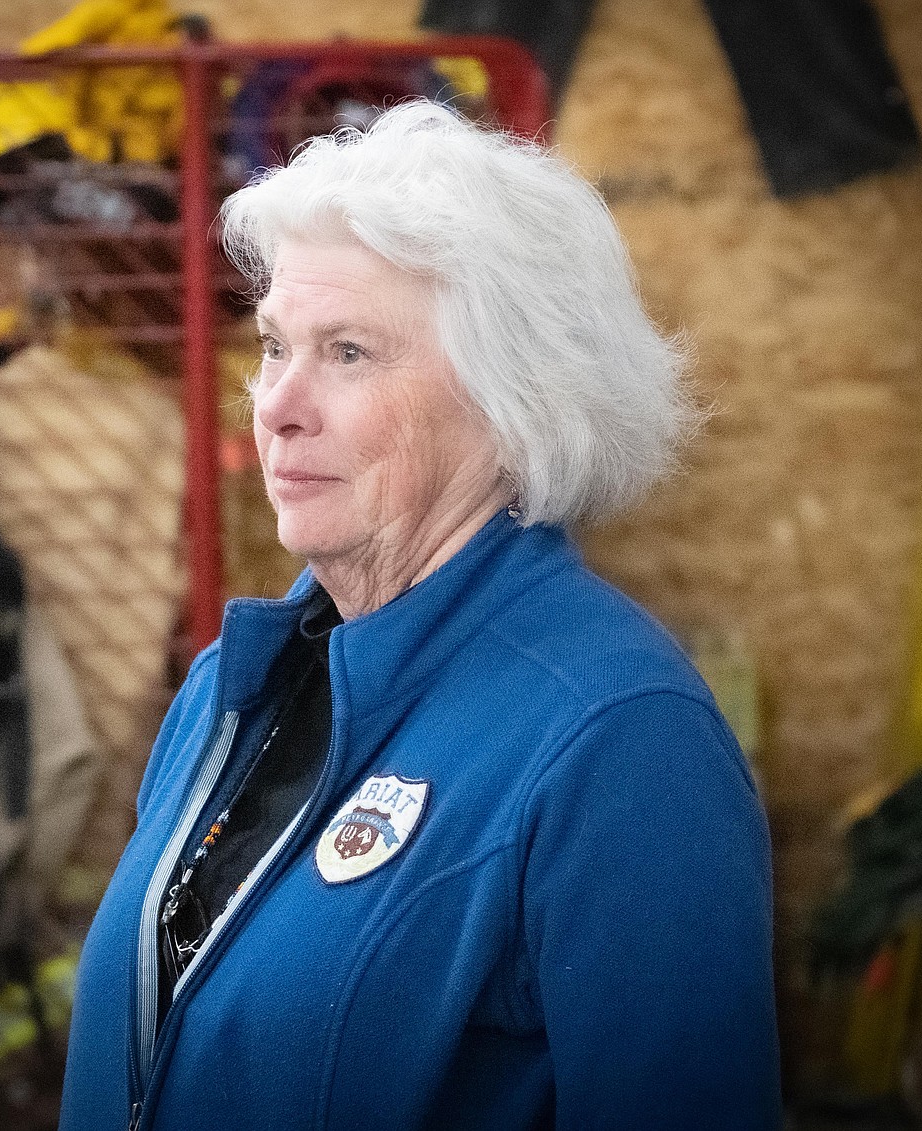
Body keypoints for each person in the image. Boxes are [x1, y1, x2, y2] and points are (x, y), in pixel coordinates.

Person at [59, 101, 781, 1130]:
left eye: (349, 352)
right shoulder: (231, 684)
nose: (276, 403)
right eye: (274, 346)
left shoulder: (624, 742)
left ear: (516, 398)